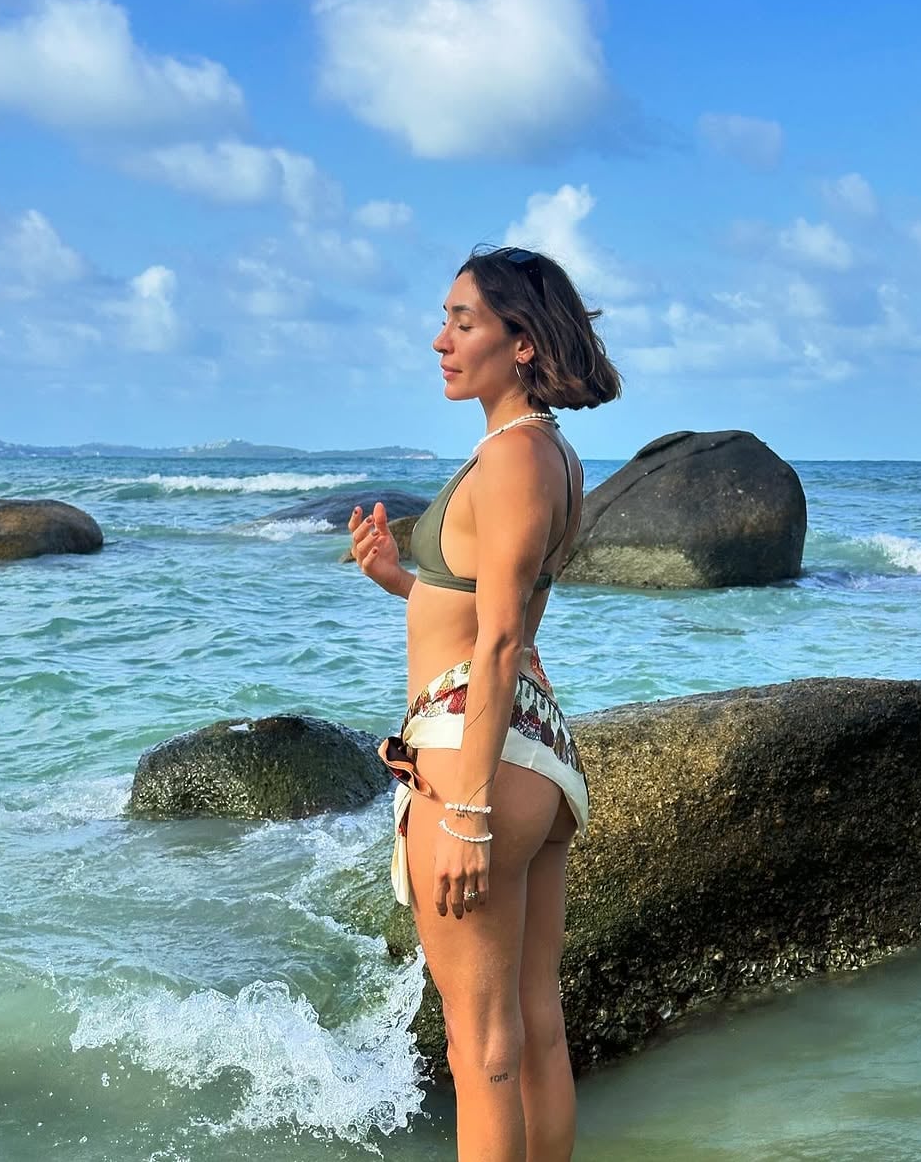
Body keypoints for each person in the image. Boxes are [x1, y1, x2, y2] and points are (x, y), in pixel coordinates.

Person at [348, 245, 621, 1161]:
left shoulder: (512, 458)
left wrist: (464, 808)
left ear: (523, 343)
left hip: (479, 753)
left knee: (481, 1048)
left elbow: (500, 640)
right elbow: (483, 609)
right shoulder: (547, 454)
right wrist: (402, 580)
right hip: (530, 747)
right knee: (534, 1027)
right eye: (446, 320)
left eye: (463, 323)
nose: (441, 341)